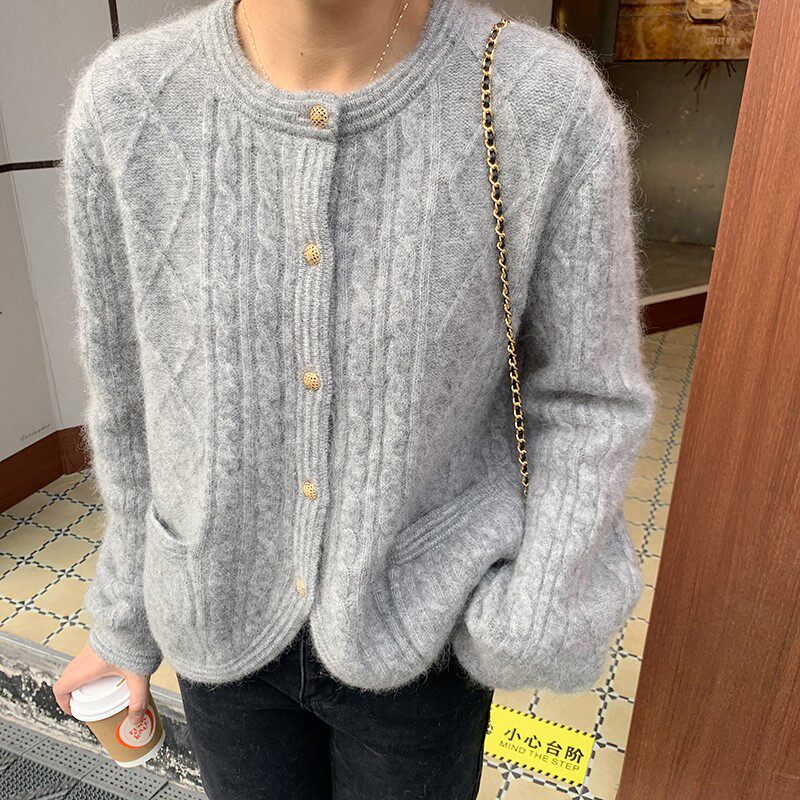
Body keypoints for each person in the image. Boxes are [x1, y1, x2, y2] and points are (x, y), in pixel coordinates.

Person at [53, 0, 656, 796]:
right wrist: (121, 617)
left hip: (424, 635)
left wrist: (538, 603)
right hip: (214, 618)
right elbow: (129, 400)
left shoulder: (540, 101)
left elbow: (588, 397)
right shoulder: (129, 101)